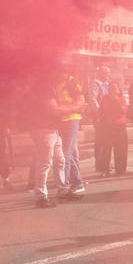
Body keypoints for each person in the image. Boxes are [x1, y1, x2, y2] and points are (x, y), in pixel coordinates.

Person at [28, 78, 66, 208]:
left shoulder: (46, 86)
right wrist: (75, 108)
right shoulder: (44, 87)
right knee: (45, 163)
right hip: (45, 129)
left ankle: (62, 189)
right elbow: (54, 109)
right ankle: (41, 197)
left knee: (60, 160)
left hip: (52, 129)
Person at [55, 70, 86, 198]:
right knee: (71, 152)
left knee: (65, 153)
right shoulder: (58, 83)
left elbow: (80, 100)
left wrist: (68, 109)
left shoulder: (72, 82)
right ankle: (77, 182)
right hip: (62, 120)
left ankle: (65, 185)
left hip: (71, 118)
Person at [97, 80, 128, 176]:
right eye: (111, 88)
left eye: (115, 88)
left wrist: (116, 100)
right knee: (106, 150)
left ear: (119, 90)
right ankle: (105, 169)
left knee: (121, 149)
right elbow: (101, 111)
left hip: (120, 126)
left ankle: (120, 169)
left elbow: (124, 111)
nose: (113, 90)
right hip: (107, 126)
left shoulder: (121, 99)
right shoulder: (105, 99)